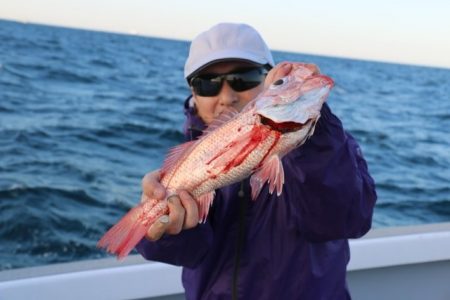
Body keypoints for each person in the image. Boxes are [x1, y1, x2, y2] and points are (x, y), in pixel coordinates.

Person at [135, 23, 377, 300]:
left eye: (245, 78)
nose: (227, 97)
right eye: (207, 84)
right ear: (193, 92)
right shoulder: (192, 159)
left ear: (268, 80)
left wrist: (313, 136)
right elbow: (190, 254)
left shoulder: (330, 147)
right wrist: (164, 233)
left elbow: (345, 221)